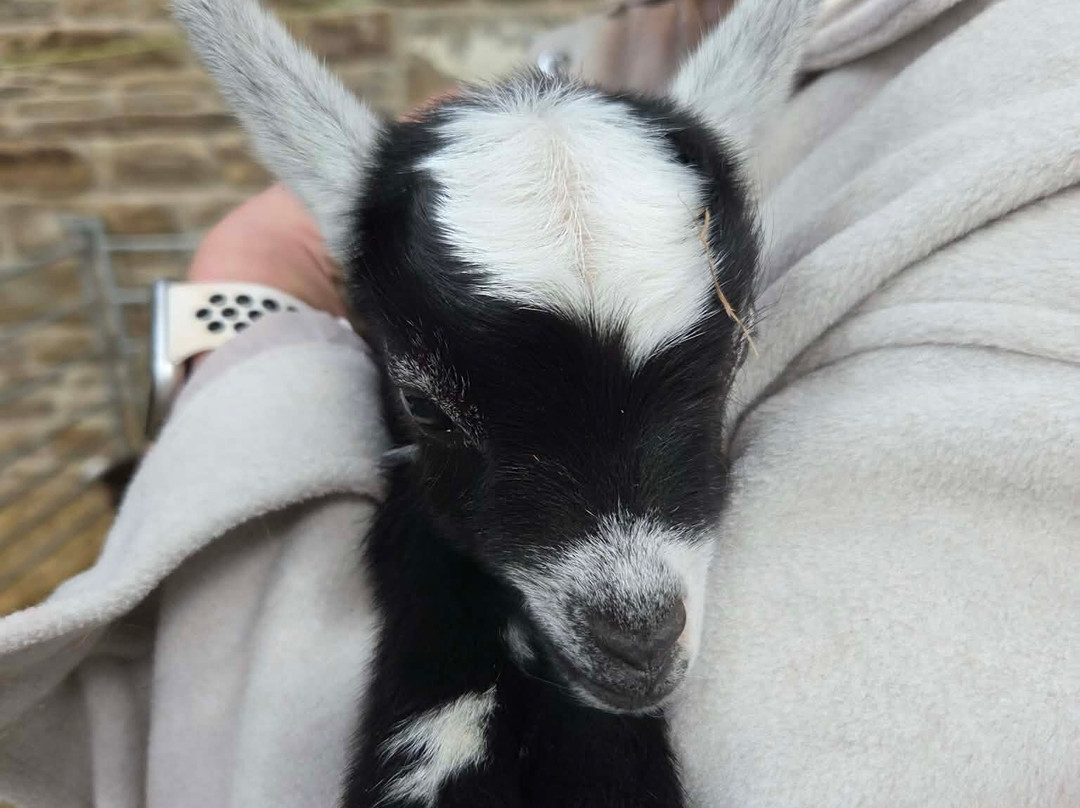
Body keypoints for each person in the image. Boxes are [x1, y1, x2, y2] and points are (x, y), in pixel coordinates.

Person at [2, 0, 1078, 805]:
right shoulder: (611, 58)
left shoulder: (1032, 105)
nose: (632, 607)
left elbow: (233, 746)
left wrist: (244, 300)